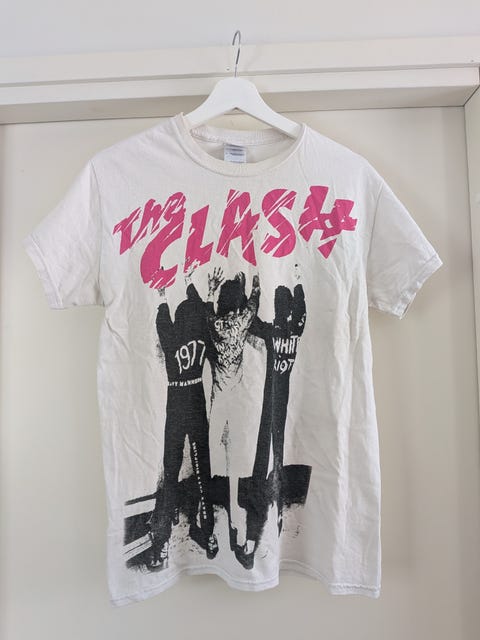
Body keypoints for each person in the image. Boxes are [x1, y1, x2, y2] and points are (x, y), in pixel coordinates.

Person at [147, 266, 218, 570]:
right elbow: (201, 311)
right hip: (196, 399)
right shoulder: (202, 333)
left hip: (177, 401)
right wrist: (197, 288)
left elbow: (163, 318)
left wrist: (163, 294)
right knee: (203, 471)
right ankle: (206, 533)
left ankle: (161, 541)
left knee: (171, 470)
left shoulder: (172, 336)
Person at [247, 265, 306, 543]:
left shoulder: (272, 332)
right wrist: (299, 284)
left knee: (263, 450)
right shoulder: (294, 332)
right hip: (285, 402)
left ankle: (261, 505)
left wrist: (253, 291)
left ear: (276, 308)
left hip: (268, 402)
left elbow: (251, 323)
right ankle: (278, 508)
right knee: (279, 450)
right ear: (289, 309)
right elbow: (302, 313)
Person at [205, 268, 260, 566]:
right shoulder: (241, 324)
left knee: (214, 463)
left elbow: (207, 311)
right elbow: (253, 304)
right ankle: (237, 531)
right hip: (237, 404)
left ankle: (211, 524)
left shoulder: (215, 325)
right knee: (236, 467)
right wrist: (254, 284)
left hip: (218, 404)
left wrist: (211, 290)